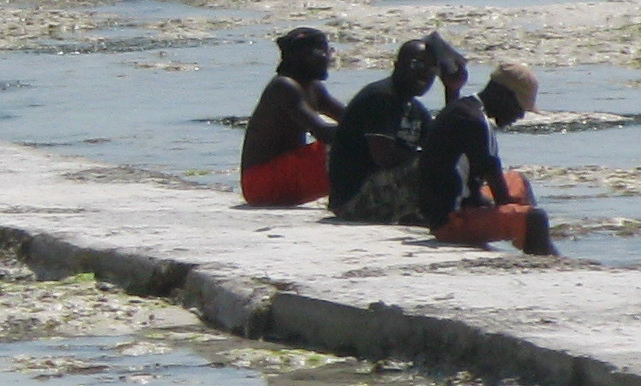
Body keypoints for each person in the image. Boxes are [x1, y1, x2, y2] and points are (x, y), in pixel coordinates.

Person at [418, 60, 557, 254]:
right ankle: (542, 256)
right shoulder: (476, 123)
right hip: (451, 220)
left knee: (518, 181)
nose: (520, 116)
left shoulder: (463, 108)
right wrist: (510, 210)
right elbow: (500, 195)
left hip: (448, 203)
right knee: (536, 219)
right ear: (505, 95)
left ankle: (529, 242)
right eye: (520, 107)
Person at [329, 32, 465, 222]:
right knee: (433, 165)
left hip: (382, 191)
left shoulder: (415, 109)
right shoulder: (382, 97)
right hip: (354, 200)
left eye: (432, 69)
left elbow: (443, 143)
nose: (425, 74)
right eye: (417, 65)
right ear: (397, 65)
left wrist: (452, 90)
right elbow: (383, 156)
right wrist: (427, 160)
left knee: (453, 159)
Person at [238, 27, 339, 207]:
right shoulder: (283, 87)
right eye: (323, 51)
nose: (329, 57)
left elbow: (351, 117)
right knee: (345, 148)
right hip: (261, 184)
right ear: (302, 56)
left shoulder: (315, 88)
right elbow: (322, 132)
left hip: (285, 173)